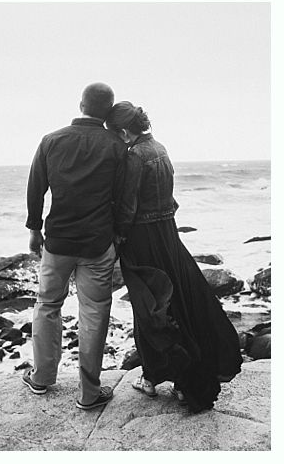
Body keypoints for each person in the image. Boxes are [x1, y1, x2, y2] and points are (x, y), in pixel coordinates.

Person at [107, 101, 242, 412]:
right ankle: (184, 380)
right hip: (168, 234)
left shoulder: (134, 156)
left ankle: (152, 378)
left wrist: (117, 238)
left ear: (124, 131)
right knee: (178, 305)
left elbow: (127, 207)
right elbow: (169, 196)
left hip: (143, 239)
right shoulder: (160, 148)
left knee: (149, 308)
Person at [21, 82, 127, 410]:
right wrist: (119, 236)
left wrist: (34, 229)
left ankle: (41, 378)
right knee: (95, 311)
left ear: (80, 104)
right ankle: (89, 392)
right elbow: (123, 197)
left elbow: (35, 187)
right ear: (108, 111)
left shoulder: (51, 140)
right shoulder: (116, 145)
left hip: (58, 240)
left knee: (47, 305)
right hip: (97, 242)